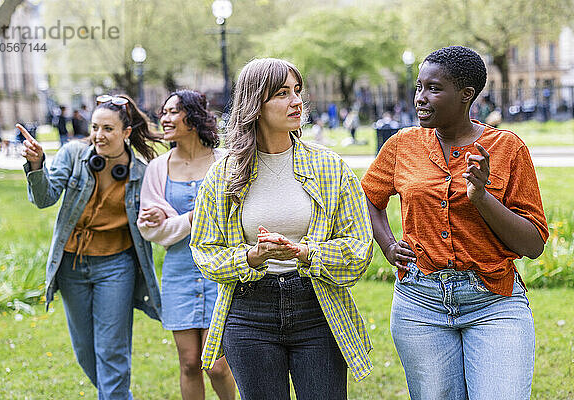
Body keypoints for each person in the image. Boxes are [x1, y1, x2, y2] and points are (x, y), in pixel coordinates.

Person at [361, 46, 549, 400]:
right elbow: (369, 198)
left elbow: (533, 244)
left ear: (466, 95)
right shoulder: (402, 144)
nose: (421, 98)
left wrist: (481, 197)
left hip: (493, 302)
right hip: (420, 303)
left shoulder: (507, 148)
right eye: (418, 87)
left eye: (433, 88)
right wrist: (387, 244)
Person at [189, 58, 374, 400]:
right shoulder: (223, 175)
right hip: (249, 314)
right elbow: (204, 250)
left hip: (317, 308)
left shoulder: (330, 168)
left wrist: (307, 253)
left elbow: (359, 248)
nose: (296, 101)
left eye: (298, 91)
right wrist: (251, 257)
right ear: (256, 104)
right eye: (282, 93)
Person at [20, 94, 162, 399]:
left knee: (111, 351)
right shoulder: (74, 154)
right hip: (72, 266)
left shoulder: (141, 172)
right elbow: (44, 198)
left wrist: (156, 216)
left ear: (126, 133)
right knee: (86, 351)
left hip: (116, 267)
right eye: (95, 127)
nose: (98, 135)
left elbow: (157, 221)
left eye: (108, 129)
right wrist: (35, 164)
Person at [137, 90, 236, 400]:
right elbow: (152, 232)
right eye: (162, 112)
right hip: (179, 274)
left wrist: (173, 218)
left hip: (220, 273)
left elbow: (233, 218)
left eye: (172, 112)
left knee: (217, 365)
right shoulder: (158, 168)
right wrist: (196, 217)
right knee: (190, 363)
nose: (163, 119)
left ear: (192, 118)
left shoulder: (225, 161)